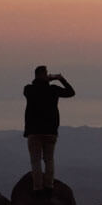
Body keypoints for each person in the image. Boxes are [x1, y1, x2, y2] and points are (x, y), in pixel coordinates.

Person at [23, 66, 75, 194]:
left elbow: (32, 89)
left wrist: (44, 81)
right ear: (45, 75)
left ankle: (38, 188)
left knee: (35, 161)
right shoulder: (53, 90)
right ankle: (49, 186)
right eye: (46, 73)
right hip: (50, 131)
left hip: (34, 131)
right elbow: (70, 92)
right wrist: (60, 79)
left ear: (35, 75)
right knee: (49, 160)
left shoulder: (29, 89)